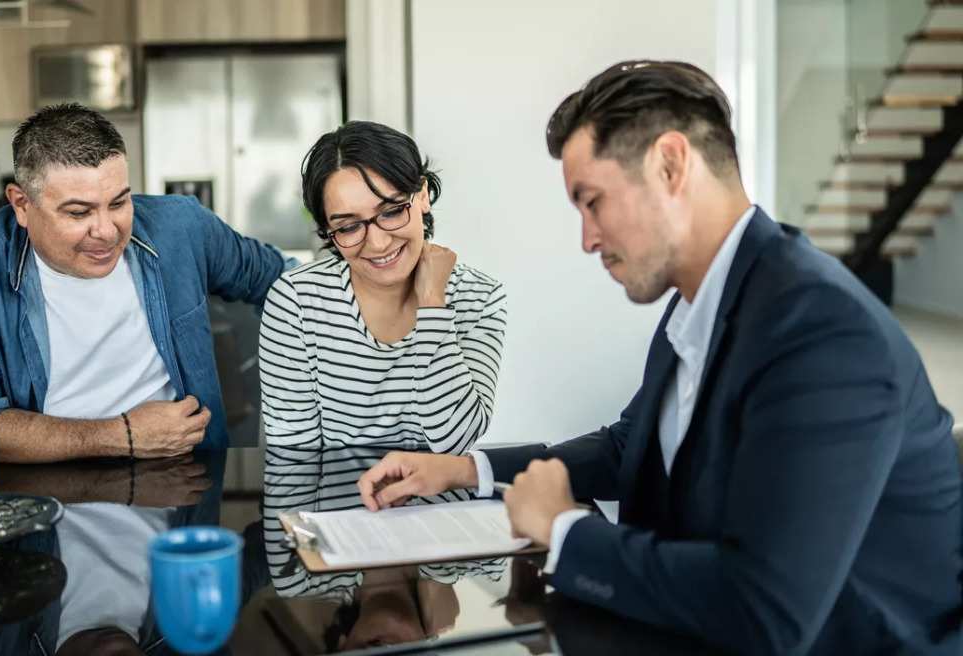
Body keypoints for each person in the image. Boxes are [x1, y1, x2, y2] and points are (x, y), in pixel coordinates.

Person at [357, 61, 963, 654]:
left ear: (671, 164)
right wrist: (465, 469)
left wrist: (566, 533)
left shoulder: (824, 331)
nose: (587, 239)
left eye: (592, 202)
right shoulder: (704, 303)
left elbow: (766, 612)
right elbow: (631, 446)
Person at [0, 103, 294, 463]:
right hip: (41, 496)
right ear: (22, 205)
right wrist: (123, 435)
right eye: (79, 212)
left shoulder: (180, 227)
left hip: (185, 483)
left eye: (119, 202)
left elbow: (284, 280)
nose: (107, 231)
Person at [259, 121, 507, 457]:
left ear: (421, 196)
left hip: (445, 510)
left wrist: (433, 304)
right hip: (333, 509)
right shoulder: (296, 303)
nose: (377, 242)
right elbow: (293, 459)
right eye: (348, 227)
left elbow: (454, 441)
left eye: (390, 212)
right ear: (327, 230)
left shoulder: (479, 297)